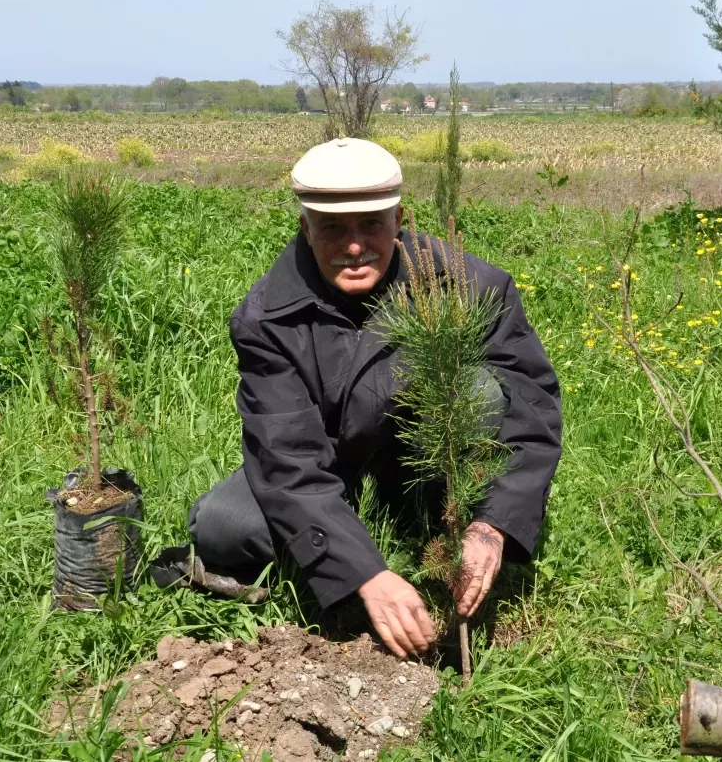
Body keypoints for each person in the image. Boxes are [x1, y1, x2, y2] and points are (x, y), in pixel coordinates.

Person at [152, 138, 562, 658]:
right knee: (225, 525)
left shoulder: (463, 283)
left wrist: (495, 522)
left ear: (398, 220)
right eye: (333, 228)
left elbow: (533, 406)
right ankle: (348, 530)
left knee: (481, 394)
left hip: (428, 460)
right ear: (305, 227)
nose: (354, 245)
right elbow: (286, 458)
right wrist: (365, 573)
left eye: (371, 223)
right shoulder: (267, 317)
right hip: (330, 464)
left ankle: (434, 514)